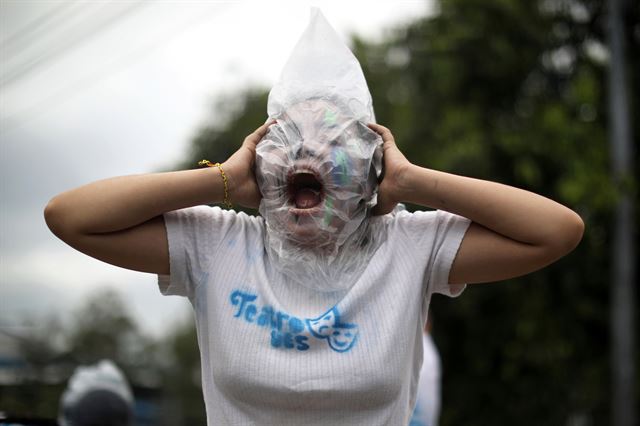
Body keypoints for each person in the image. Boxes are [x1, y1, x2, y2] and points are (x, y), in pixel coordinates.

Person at [44, 10, 584, 426]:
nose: (310, 153)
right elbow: (69, 216)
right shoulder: (216, 244)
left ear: (370, 168)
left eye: (335, 142)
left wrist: (411, 181)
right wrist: (222, 180)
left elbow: (557, 231)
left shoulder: (410, 247)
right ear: (263, 162)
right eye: (289, 139)